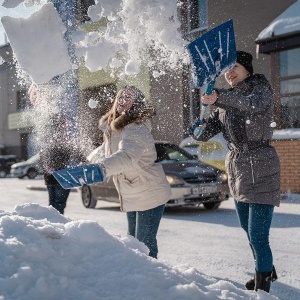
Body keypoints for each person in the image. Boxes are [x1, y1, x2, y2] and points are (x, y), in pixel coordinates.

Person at [193, 51, 280, 293]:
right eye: (226, 70)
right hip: (238, 168)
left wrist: (218, 97)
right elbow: (209, 130)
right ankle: (267, 269)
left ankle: (262, 289)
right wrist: (198, 130)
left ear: (247, 70)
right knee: (247, 228)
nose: (229, 73)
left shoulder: (260, 90)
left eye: (235, 67)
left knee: (258, 235)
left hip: (261, 165)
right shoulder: (226, 100)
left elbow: (251, 105)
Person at [54, 86, 171, 259]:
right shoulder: (115, 128)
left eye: (129, 97)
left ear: (136, 103)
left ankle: (152, 281)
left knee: (144, 246)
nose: (123, 100)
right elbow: (106, 151)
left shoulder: (136, 127)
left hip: (149, 191)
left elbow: (128, 156)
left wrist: (100, 169)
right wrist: (87, 163)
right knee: (134, 244)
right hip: (133, 191)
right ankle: (140, 278)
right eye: (121, 96)